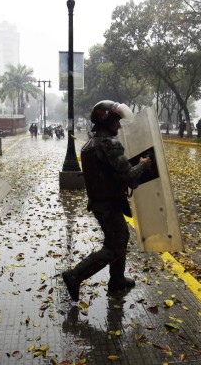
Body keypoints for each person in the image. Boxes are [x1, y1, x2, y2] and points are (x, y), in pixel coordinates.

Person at [61, 100, 151, 302]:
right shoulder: (109, 145)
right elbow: (128, 176)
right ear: (107, 121)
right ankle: (75, 275)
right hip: (108, 204)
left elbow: (111, 173)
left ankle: (117, 280)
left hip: (101, 202)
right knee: (115, 245)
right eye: (116, 121)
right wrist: (143, 165)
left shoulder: (91, 144)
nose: (119, 125)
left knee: (120, 238)